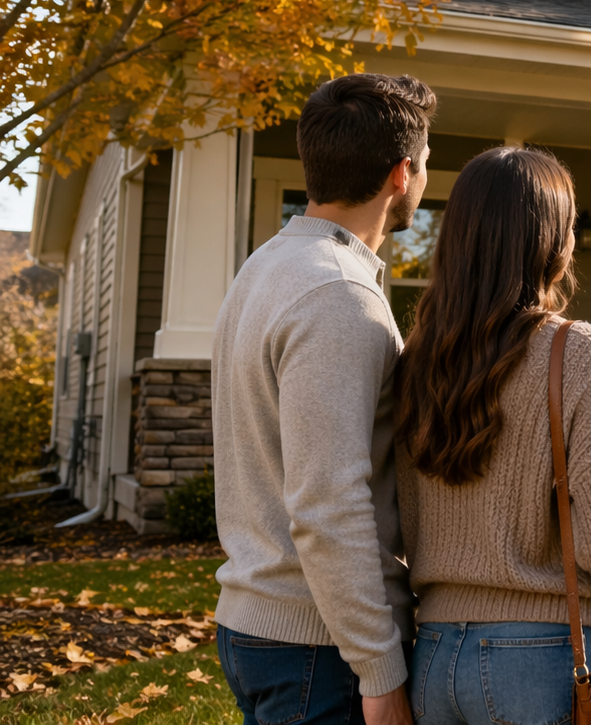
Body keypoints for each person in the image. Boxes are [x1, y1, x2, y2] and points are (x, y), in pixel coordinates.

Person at [393, 146, 591, 725]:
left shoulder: (415, 362)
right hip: (549, 659)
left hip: (435, 661)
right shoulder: (579, 352)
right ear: (554, 245)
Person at [213, 73, 437, 725]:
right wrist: (380, 670)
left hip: (267, 627)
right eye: (424, 165)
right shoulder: (338, 296)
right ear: (401, 174)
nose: (422, 178)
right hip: (320, 648)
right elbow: (328, 501)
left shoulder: (263, 269)